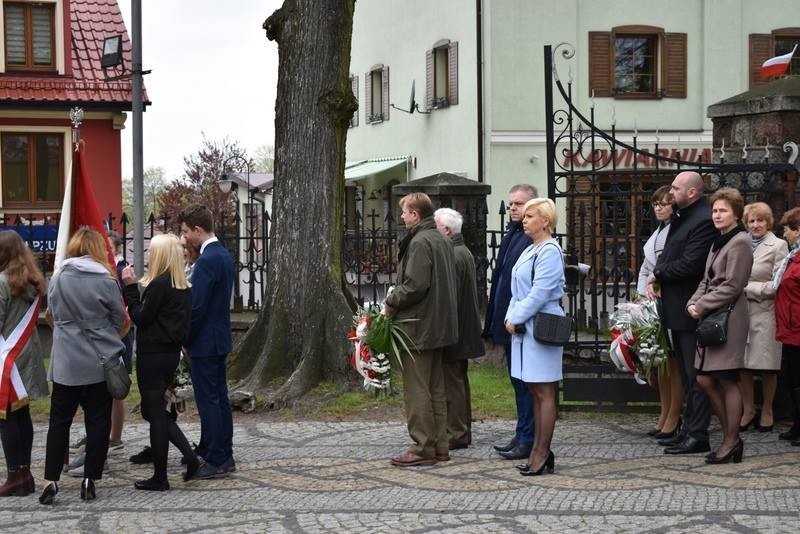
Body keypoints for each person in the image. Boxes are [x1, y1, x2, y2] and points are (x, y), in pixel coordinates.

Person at [40, 227, 127, 504]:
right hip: (98, 360)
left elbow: (51, 313)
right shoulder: (107, 280)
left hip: (66, 361)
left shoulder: (59, 277)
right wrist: (101, 331)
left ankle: (50, 479)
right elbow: (119, 318)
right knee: (98, 422)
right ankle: (90, 479)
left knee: (59, 423)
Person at [121, 234, 201, 490]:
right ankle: (188, 458)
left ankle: (161, 477)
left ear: (162, 256)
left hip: (153, 356)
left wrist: (130, 290)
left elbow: (141, 318)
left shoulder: (160, 285)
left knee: (155, 415)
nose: (148, 256)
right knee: (155, 412)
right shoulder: (182, 286)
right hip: (170, 355)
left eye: (152, 252)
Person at [384, 193, 458, 467]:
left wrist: (391, 300)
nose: (401, 216)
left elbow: (415, 286)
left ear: (415, 214)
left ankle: (422, 446)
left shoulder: (420, 241)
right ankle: (440, 445)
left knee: (417, 389)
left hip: (420, 326)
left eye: (404, 212)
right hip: (439, 326)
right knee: (436, 388)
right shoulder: (440, 238)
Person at [647, 171, 717, 455]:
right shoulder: (682, 217)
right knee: (688, 375)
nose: (670, 192)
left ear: (692, 193)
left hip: (690, 308)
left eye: (676, 188)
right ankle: (687, 429)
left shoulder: (701, 220)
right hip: (675, 306)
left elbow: (691, 263)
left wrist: (659, 273)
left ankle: (697, 433)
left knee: (695, 373)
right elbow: (669, 254)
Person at [686, 188, 752, 464]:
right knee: (703, 378)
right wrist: (693, 301)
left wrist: (701, 306)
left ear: (736, 213)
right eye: (714, 210)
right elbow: (706, 279)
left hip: (730, 317)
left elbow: (733, 286)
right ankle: (732, 437)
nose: (716, 214)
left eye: (722, 210)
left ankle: (730, 440)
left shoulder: (740, 242)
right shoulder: (718, 241)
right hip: (711, 316)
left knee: (726, 378)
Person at [504, 198, 565, 476]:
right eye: (524, 216)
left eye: (531, 216)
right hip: (524, 327)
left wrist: (516, 318)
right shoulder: (531, 248)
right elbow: (516, 288)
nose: (524, 220)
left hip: (541, 326)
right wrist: (510, 316)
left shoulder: (550, 250)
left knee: (544, 390)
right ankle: (540, 449)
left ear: (546, 221)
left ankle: (541, 451)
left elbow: (540, 292)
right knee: (533, 389)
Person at [178, 205, 235, 479]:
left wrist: (185, 339)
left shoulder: (207, 260)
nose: (184, 237)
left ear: (199, 230)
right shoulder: (221, 254)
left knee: (209, 400)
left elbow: (197, 307)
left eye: (186, 231)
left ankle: (217, 457)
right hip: (218, 338)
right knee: (219, 399)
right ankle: (218, 448)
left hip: (205, 341)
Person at [483, 184, 538, 460]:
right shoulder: (513, 233)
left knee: (526, 383)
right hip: (507, 320)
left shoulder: (532, 240)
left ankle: (529, 437)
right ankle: (522, 433)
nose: (514, 208)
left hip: (522, 323)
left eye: (520, 204)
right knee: (517, 381)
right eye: (512, 203)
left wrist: (517, 317)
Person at [0, 231, 48, 497]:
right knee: (22, 416)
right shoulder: (33, 281)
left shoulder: (1, 281)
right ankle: (25, 473)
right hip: (26, 356)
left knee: (5, 417)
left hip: (7, 358)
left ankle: (14, 476)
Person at [434, 208, 485, 450]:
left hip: (456, 331)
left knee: (452, 382)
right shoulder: (460, 251)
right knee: (457, 380)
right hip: (463, 330)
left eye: (435, 226)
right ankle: (461, 428)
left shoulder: (453, 255)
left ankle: (456, 432)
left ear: (446, 230)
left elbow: (448, 297)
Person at [637, 186, 683, 439]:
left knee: (672, 362)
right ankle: (664, 412)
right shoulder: (657, 231)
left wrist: (657, 284)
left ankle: (674, 415)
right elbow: (646, 267)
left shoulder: (675, 229)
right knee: (661, 362)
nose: (659, 208)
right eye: (655, 204)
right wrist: (642, 293)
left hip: (670, 299)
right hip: (653, 301)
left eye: (664, 204)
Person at [740, 202, 788, 433]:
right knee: (743, 365)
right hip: (740, 314)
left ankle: (767, 409)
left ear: (768, 222)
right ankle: (747, 410)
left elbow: (778, 284)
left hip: (765, 313)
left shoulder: (778, 245)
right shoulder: (741, 243)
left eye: (760, 220)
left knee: (767, 366)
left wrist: (748, 288)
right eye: (751, 221)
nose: (756, 225)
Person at [774, 206, 800, 444]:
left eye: (787, 230)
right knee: (792, 379)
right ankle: (796, 423)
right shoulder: (793, 256)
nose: (784, 235)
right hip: (790, 328)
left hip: (798, 327)